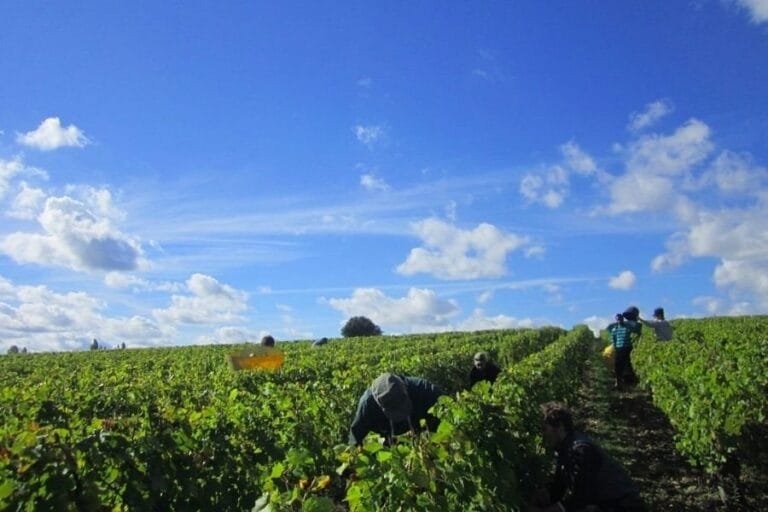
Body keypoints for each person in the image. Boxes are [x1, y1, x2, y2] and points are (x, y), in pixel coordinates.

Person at [528, 402, 644, 512]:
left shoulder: (580, 450)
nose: (543, 434)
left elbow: (581, 498)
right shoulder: (565, 448)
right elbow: (559, 488)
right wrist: (544, 495)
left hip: (622, 506)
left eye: (545, 429)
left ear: (559, 426)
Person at [348, 372, 445, 445]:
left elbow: (448, 414)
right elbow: (356, 437)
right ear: (380, 405)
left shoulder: (424, 390)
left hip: (426, 439)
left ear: (406, 389)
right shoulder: (367, 405)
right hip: (390, 445)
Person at [607, 314, 635, 389]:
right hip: (619, 349)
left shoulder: (628, 327)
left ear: (623, 319)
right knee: (617, 366)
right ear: (616, 320)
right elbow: (613, 339)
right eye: (618, 319)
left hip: (628, 348)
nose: (619, 320)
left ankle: (629, 382)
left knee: (628, 365)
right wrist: (615, 348)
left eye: (620, 319)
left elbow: (635, 329)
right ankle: (618, 382)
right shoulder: (614, 329)